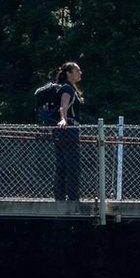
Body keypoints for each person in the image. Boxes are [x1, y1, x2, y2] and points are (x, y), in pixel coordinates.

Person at [37, 62, 84, 202]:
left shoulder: (67, 88)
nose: (80, 73)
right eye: (77, 71)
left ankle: (60, 197)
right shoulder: (67, 89)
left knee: (62, 164)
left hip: (61, 131)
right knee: (73, 165)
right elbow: (63, 107)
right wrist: (63, 120)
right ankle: (73, 198)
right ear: (69, 73)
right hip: (68, 130)